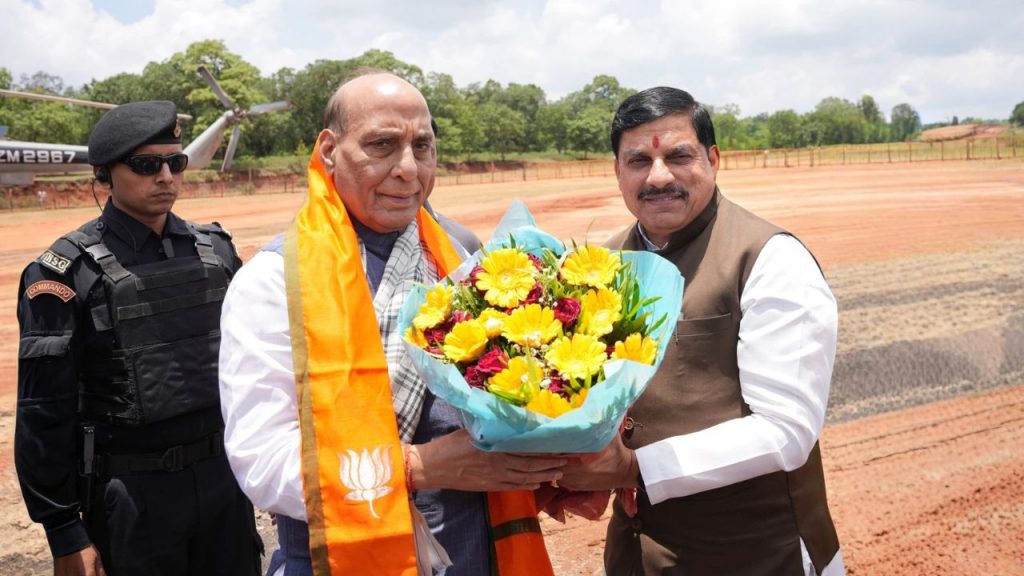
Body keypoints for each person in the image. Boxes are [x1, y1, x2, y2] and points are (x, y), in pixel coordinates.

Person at [218, 71, 564, 576]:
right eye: (382, 145)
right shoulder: (274, 282)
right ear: (329, 150)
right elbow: (262, 461)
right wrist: (417, 468)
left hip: (477, 555)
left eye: (422, 146)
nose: (408, 169)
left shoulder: (462, 260)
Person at [558, 86, 845, 575]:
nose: (658, 176)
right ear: (617, 171)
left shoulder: (768, 258)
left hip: (758, 554)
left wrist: (633, 467)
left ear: (713, 159)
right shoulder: (598, 267)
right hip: (637, 554)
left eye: (678, 156)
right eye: (638, 161)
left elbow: (786, 431)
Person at [14, 100, 262, 576]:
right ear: (105, 175)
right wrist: (64, 531)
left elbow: (252, 371)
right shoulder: (63, 273)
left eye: (175, 162)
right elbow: (43, 411)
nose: (166, 177)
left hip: (224, 486)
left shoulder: (217, 252)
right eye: (147, 165)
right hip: (132, 498)